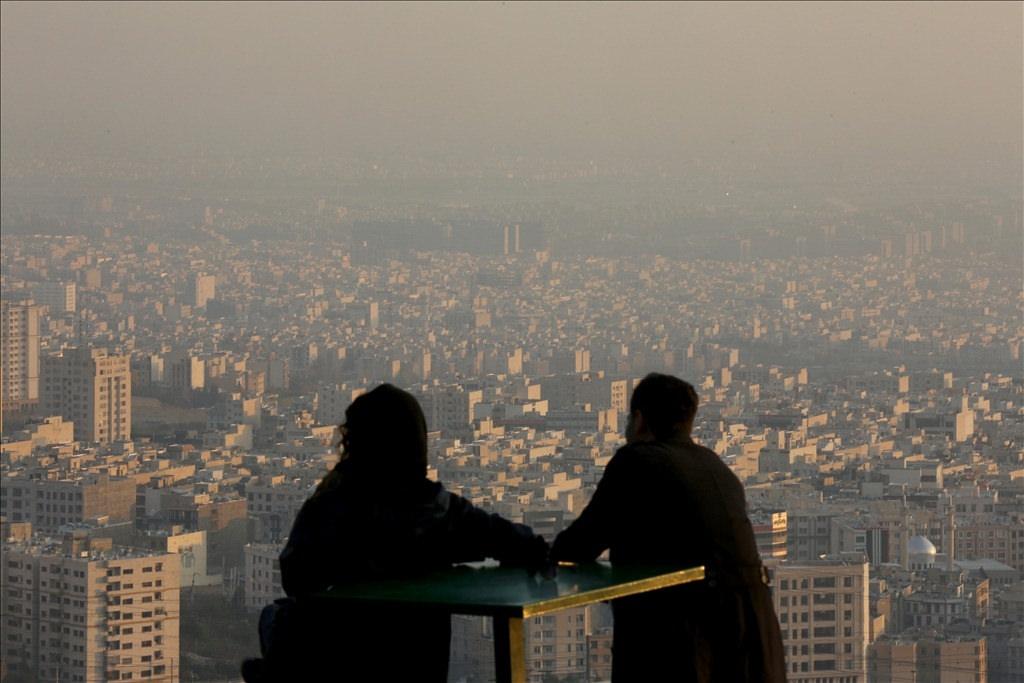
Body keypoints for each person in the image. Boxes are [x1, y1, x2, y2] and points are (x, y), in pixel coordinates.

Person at [243, 384, 548, 682]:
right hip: (417, 661)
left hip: (338, 658)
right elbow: (504, 538)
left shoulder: (333, 506)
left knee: (277, 617)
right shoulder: (437, 511)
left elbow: (294, 574)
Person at [552, 373, 786, 682]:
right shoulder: (716, 467)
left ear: (639, 420)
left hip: (682, 638)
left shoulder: (637, 462)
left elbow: (579, 545)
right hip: (755, 635)